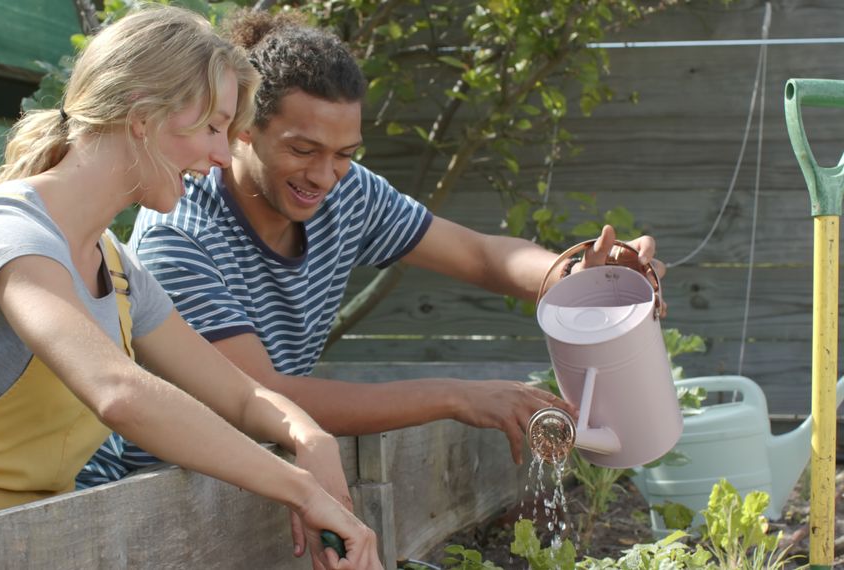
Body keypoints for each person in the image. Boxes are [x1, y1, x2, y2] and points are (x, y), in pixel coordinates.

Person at [0, 7, 381, 568]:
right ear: (143, 114)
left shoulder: (116, 270)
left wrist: (310, 439)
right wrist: (299, 489)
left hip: (31, 540)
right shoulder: (4, 230)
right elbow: (119, 393)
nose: (219, 157)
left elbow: (241, 394)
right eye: (213, 127)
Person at [83, 9, 660, 491]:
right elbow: (264, 397)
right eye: (303, 149)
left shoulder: (346, 195)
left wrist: (576, 276)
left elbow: (483, 256)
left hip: (261, 471)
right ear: (241, 129)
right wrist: (459, 397)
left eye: (345, 153)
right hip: (147, 487)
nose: (325, 176)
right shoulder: (180, 239)